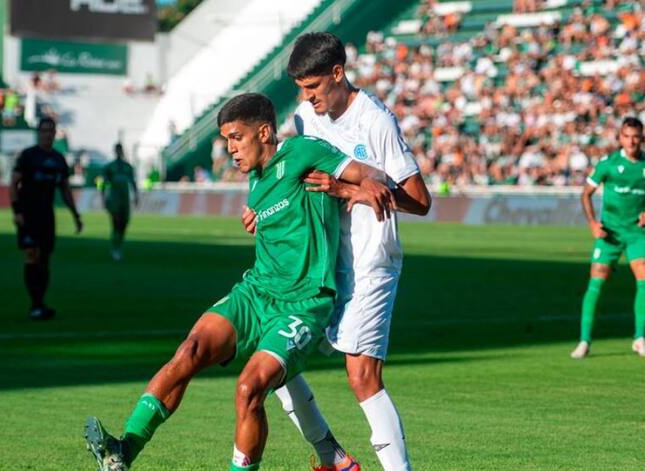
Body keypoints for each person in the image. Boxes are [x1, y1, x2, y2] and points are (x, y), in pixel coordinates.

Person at [83, 93, 397, 471]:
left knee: (249, 389)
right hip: (255, 292)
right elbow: (282, 214)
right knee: (189, 351)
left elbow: (373, 174)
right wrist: (258, 218)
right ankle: (122, 452)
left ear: (263, 132)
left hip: (303, 302)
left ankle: (325, 456)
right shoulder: (256, 178)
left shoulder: (303, 152)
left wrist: (361, 187)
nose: (230, 148)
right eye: (226, 140)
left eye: (236, 137)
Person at [242, 32, 431, 471]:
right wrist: (260, 209)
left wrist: (349, 189)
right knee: (275, 355)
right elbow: (291, 173)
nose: (306, 98)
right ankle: (334, 458)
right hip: (322, 260)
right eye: (300, 89)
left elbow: (420, 200)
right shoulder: (305, 118)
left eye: (313, 87)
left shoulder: (375, 122)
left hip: (371, 258)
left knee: (362, 375)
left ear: (338, 73)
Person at [571, 117, 645, 359]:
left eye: (636, 137)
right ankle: (584, 341)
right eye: (627, 136)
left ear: (642, 138)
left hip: (636, 233)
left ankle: (639, 338)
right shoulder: (608, 164)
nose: (631, 141)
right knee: (596, 282)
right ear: (620, 138)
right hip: (609, 233)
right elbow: (586, 193)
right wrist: (593, 224)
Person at [9, 117, 83, 320]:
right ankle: (35, 304)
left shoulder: (58, 159)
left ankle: (40, 302)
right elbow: (14, 184)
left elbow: (65, 189)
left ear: (55, 133)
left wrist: (75, 215)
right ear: (38, 133)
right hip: (28, 213)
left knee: (45, 259)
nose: (47, 134)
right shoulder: (28, 156)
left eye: (50, 130)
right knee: (31, 254)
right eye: (44, 130)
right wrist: (17, 211)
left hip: (46, 215)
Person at [100, 143, 138, 261]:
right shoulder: (109, 167)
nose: (119, 152)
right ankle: (115, 248)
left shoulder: (128, 167)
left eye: (120, 150)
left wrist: (136, 196)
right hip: (114, 199)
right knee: (116, 222)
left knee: (124, 223)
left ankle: (118, 245)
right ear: (114, 151)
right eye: (117, 150)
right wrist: (103, 197)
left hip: (125, 199)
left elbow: (133, 182)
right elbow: (104, 183)